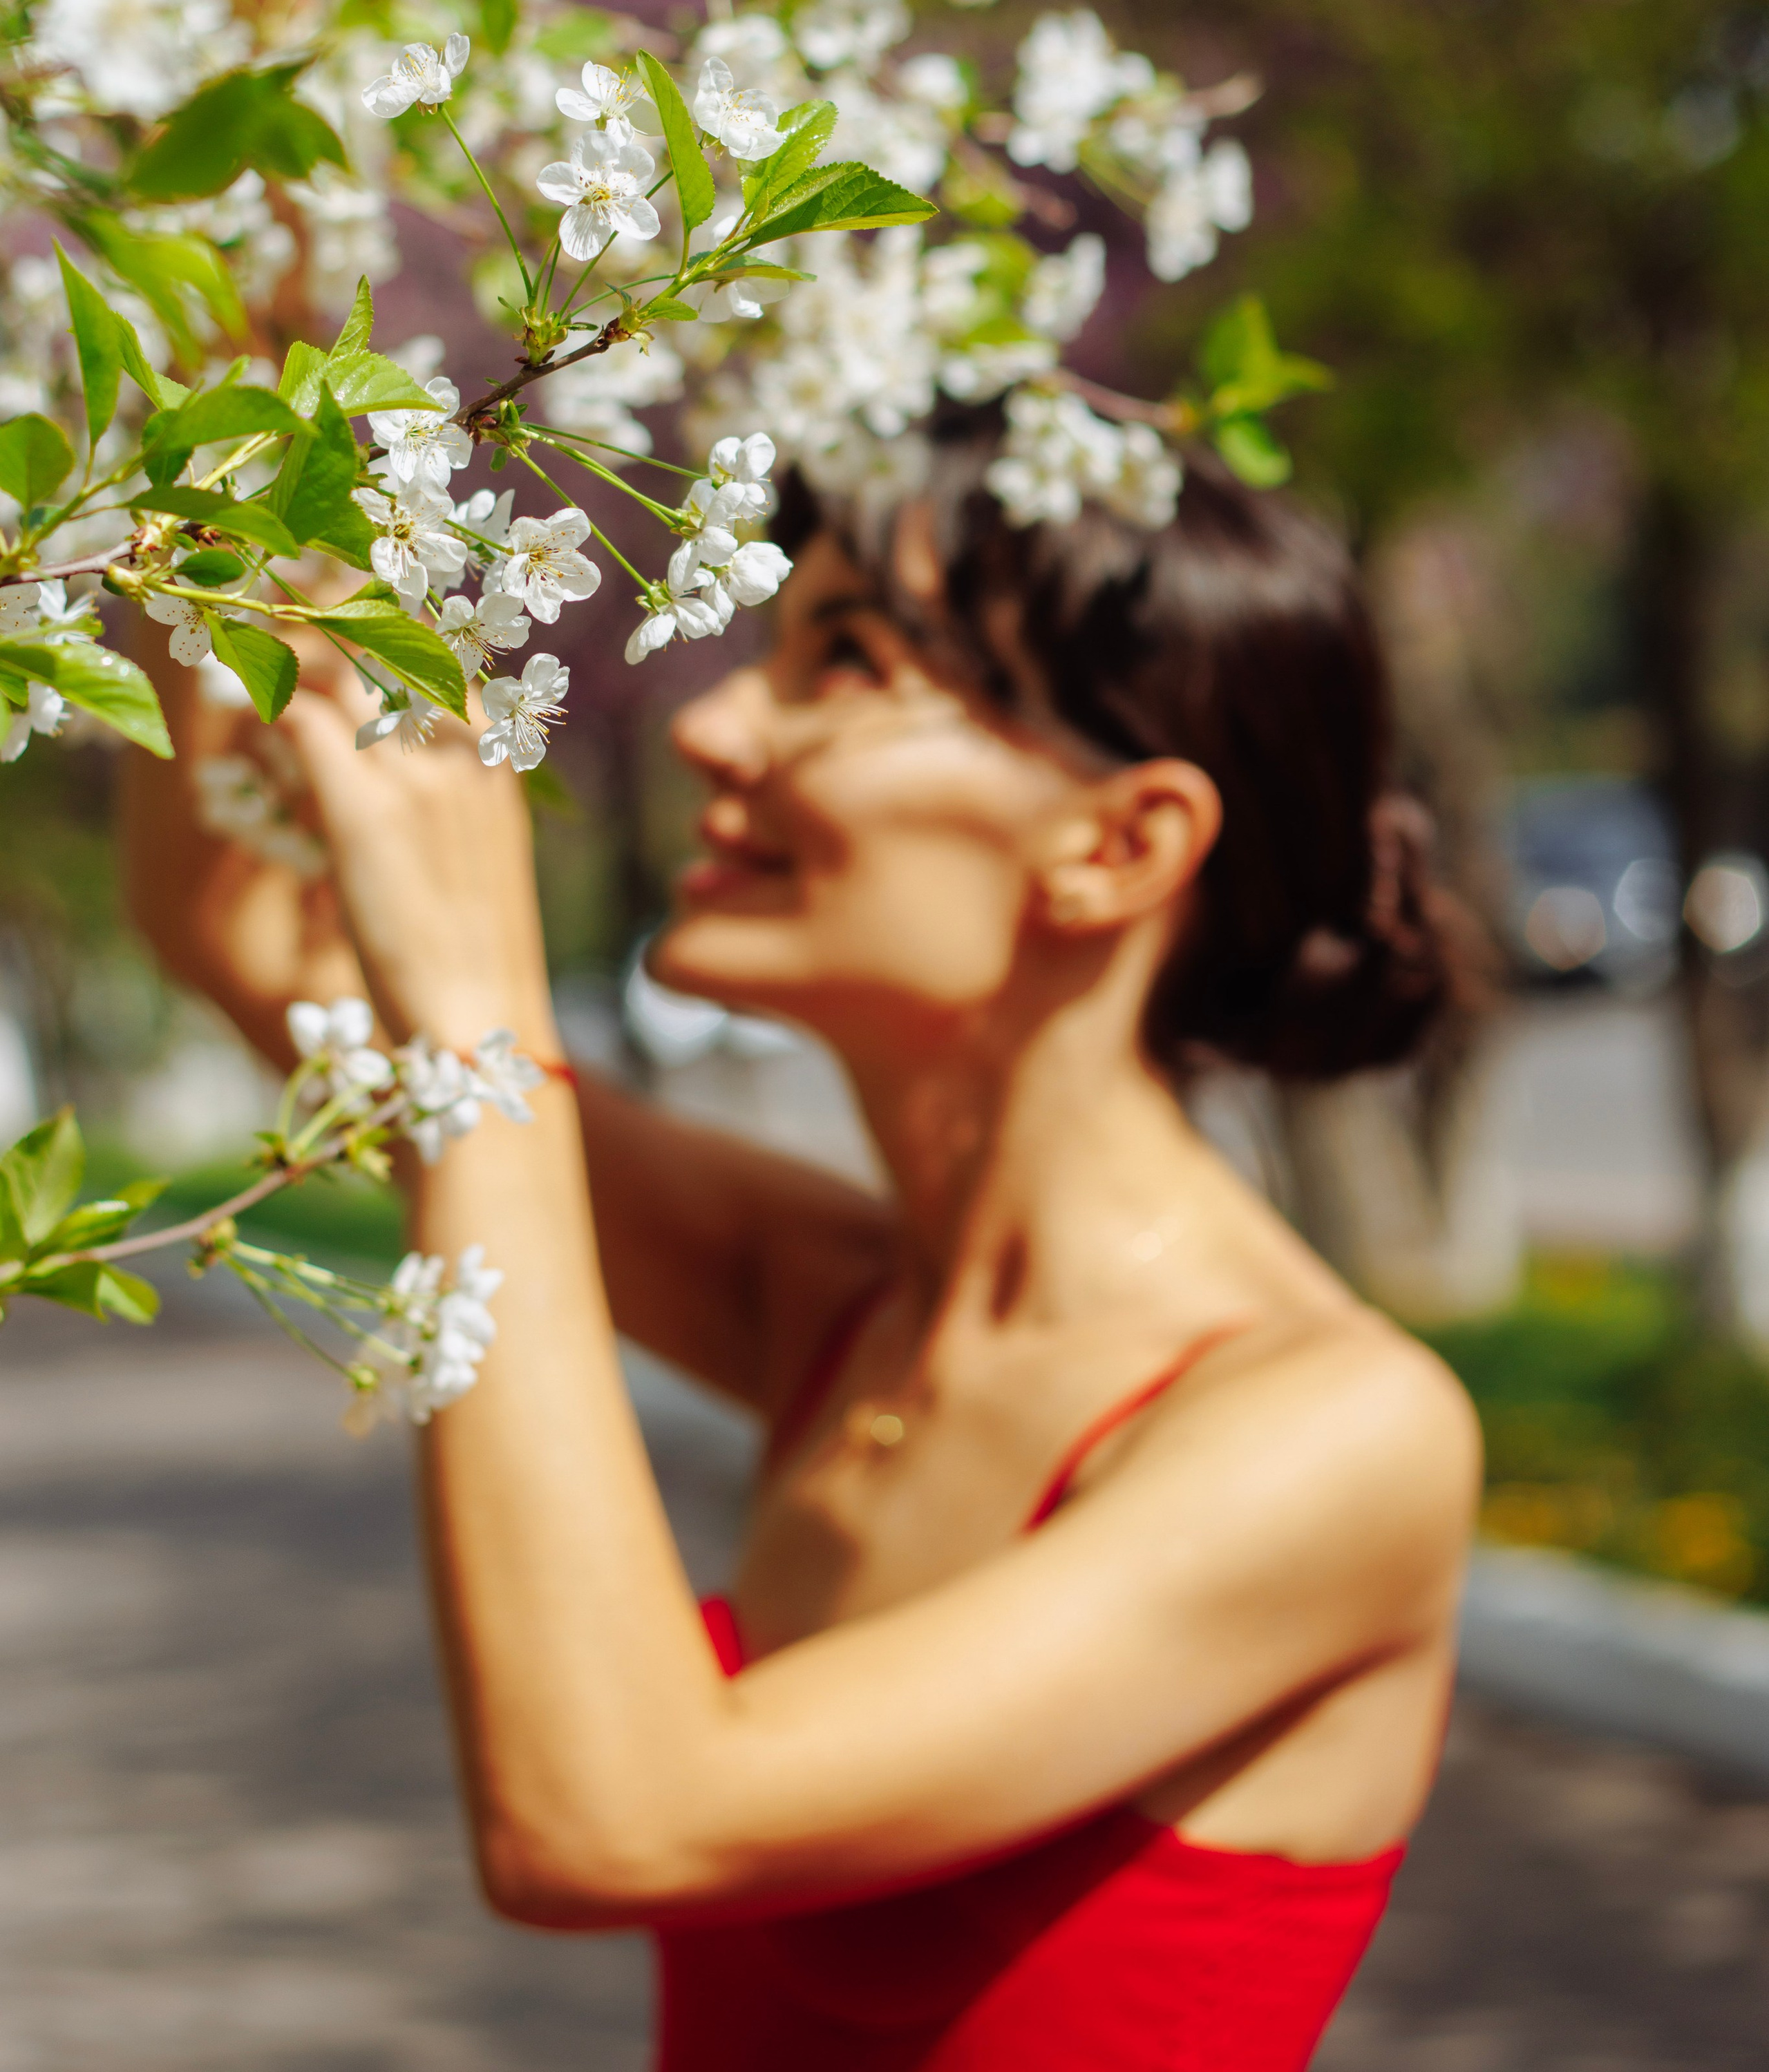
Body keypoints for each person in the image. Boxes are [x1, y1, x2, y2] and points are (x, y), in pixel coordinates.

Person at [125, 402, 1482, 2072]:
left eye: (843, 660)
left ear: (1117, 845)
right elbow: (247, 940)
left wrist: (481, 1018)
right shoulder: (843, 1301)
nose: (711, 725)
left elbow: (603, 1821)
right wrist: (216, 468)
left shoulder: (1338, 1436)